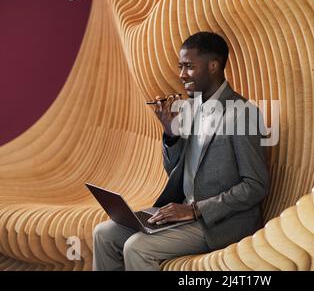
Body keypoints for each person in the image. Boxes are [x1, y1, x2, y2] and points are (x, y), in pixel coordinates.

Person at [92, 31, 270, 271]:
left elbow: (256, 186)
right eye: (180, 66)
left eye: (188, 66)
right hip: (181, 213)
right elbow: (174, 172)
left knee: (137, 247)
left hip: (219, 224)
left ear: (213, 66)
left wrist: (195, 209)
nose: (181, 74)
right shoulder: (190, 108)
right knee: (104, 233)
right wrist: (171, 133)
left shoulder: (242, 114)